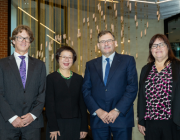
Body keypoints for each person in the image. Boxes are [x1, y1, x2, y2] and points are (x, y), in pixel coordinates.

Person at [82, 31, 138, 140]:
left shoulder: (128, 60)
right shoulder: (90, 64)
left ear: (115, 43)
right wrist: (98, 111)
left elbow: (132, 87)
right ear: (98, 45)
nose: (106, 44)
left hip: (122, 117)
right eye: (102, 42)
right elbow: (86, 90)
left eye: (109, 41)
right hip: (99, 119)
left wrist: (116, 110)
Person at [0, 25, 46, 139]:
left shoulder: (40, 65)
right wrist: (12, 117)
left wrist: (33, 115)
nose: (24, 41)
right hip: (7, 122)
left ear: (30, 42)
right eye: (20, 37)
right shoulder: (1, 64)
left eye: (27, 38)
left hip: (32, 124)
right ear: (14, 41)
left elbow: (42, 93)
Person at [137, 34, 180, 140]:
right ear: (151, 50)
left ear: (168, 47)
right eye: (154, 46)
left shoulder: (178, 67)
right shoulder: (145, 69)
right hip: (150, 122)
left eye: (161, 44)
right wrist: (141, 120)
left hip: (173, 122)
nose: (158, 48)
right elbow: (141, 97)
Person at [45, 46, 88, 140]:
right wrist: (53, 127)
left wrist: (84, 127)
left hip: (76, 124)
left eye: (70, 57)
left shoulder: (79, 78)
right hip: (57, 124)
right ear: (58, 58)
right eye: (63, 57)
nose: (66, 60)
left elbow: (82, 104)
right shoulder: (50, 78)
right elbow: (49, 105)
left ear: (73, 60)